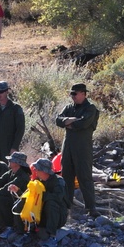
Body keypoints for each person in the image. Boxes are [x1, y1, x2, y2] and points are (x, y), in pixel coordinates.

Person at [55, 83, 100, 217]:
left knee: (84, 177)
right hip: (68, 146)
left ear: (83, 94)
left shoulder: (91, 109)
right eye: (71, 94)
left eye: (75, 93)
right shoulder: (69, 108)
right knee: (66, 176)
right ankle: (67, 206)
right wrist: (71, 120)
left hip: (82, 148)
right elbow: (58, 120)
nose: (72, 96)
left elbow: (83, 123)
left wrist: (68, 123)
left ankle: (91, 208)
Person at [0, 151, 32, 237]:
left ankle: (10, 227)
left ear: (18, 163)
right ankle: (1, 224)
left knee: (1, 199)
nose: (9, 161)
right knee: (0, 198)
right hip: (12, 199)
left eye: (11, 160)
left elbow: (5, 189)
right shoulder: (11, 172)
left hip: (22, 203)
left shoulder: (22, 176)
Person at [0, 81, 25, 160]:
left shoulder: (16, 108)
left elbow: (20, 129)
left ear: (7, 92)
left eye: (1, 92)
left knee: (8, 169)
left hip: (9, 147)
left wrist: (14, 147)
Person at [33, 157, 69, 237]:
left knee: (51, 202)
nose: (35, 171)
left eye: (37, 169)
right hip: (43, 215)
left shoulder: (59, 181)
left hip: (59, 216)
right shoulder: (38, 182)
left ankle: (52, 234)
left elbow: (57, 197)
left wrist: (42, 195)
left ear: (44, 171)